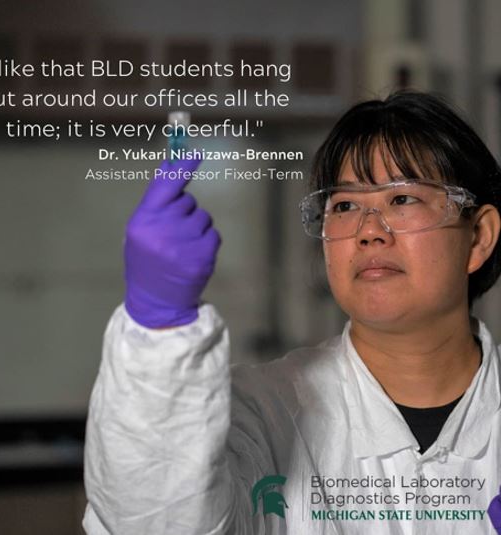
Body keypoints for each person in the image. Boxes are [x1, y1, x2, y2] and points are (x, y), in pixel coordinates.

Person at [82, 91, 501, 534]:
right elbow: (153, 521)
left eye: (402, 199)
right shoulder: (262, 416)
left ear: (477, 237)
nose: (369, 231)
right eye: (344, 206)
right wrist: (160, 326)